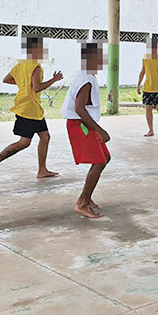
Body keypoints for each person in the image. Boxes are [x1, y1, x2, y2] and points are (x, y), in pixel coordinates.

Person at [0, 35, 63, 182]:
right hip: (29, 108)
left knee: (45, 137)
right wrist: (54, 80)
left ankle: (42, 170)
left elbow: (6, 79)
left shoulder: (20, 65)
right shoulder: (35, 67)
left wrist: (23, 85)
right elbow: (37, 88)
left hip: (32, 108)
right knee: (24, 142)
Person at [61, 41, 111, 218]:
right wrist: (100, 130)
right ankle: (82, 203)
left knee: (105, 157)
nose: (102, 60)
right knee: (99, 161)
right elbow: (79, 109)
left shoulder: (86, 75)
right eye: (99, 57)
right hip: (80, 124)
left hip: (83, 123)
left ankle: (84, 198)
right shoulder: (86, 80)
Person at [137, 37, 158, 137]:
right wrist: (138, 85)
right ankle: (150, 130)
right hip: (147, 88)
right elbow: (142, 72)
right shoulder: (145, 59)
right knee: (148, 109)